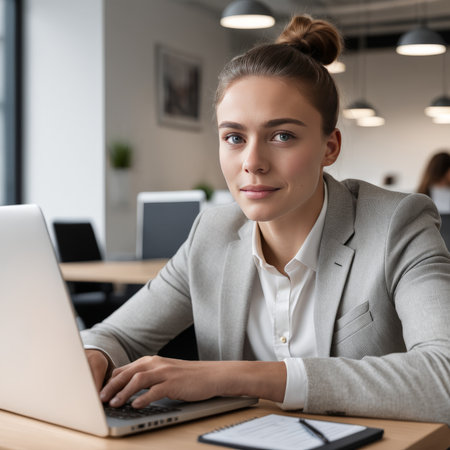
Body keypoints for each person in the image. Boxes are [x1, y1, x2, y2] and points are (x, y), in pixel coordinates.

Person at [82, 15, 450, 425]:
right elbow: (114, 335)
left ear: (330, 147)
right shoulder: (211, 235)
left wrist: (241, 376)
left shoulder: (397, 223)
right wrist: (92, 357)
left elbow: (444, 376)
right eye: (234, 137)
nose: (252, 163)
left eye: (282, 136)